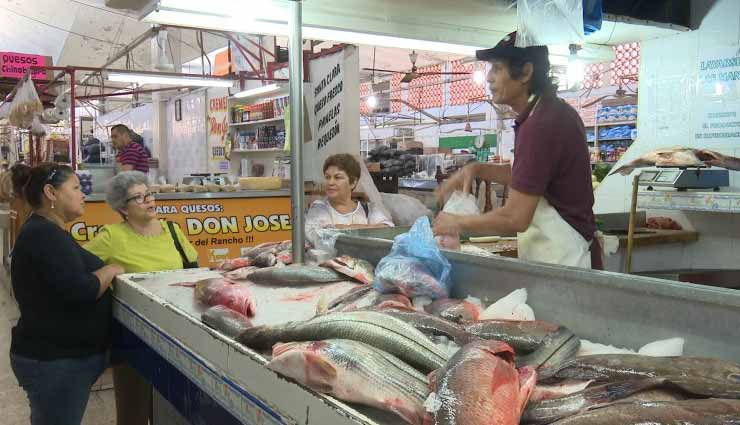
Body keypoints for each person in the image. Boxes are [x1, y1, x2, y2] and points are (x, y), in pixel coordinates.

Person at [434, 31, 602, 269]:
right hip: (551, 257)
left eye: (497, 69)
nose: (489, 78)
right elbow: (530, 178)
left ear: (525, 72)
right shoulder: (547, 112)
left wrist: (458, 222)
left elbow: (516, 217)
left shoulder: (542, 124)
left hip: (565, 261)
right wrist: (478, 168)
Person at [9, 163, 123, 425]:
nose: (82, 194)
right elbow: (81, 291)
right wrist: (111, 269)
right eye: (75, 187)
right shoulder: (44, 234)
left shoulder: (48, 231)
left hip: (61, 359)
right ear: (51, 192)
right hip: (55, 362)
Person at [85, 171, 198, 425]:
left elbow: (194, 270)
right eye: (138, 198)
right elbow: (80, 271)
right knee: (132, 409)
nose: (149, 200)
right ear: (122, 209)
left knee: (176, 406)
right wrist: (110, 271)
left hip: (177, 330)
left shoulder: (172, 230)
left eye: (149, 194)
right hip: (133, 338)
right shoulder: (111, 237)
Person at [306, 153, 394, 229]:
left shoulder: (368, 209)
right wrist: (370, 228)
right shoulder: (319, 208)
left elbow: (388, 228)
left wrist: (342, 227)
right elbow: (324, 234)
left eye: (337, 177)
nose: (330, 182)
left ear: (353, 182)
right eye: (327, 177)